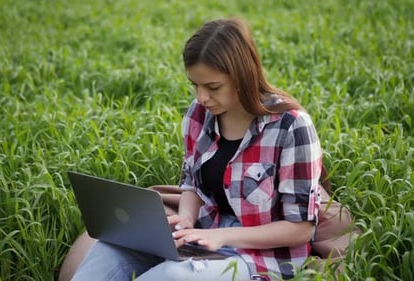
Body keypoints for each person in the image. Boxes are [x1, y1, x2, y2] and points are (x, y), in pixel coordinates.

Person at [66, 17, 324, 281]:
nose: (201, 97)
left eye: (213, 87)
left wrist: (221, 236)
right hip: (205, 235)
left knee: (171, 276)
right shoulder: (199, 115)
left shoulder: (291, 126)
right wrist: (187, 219)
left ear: (242, 77)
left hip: (262, 257)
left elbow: (301, 229)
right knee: (107, 252)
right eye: (195, 85)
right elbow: (191, 185)